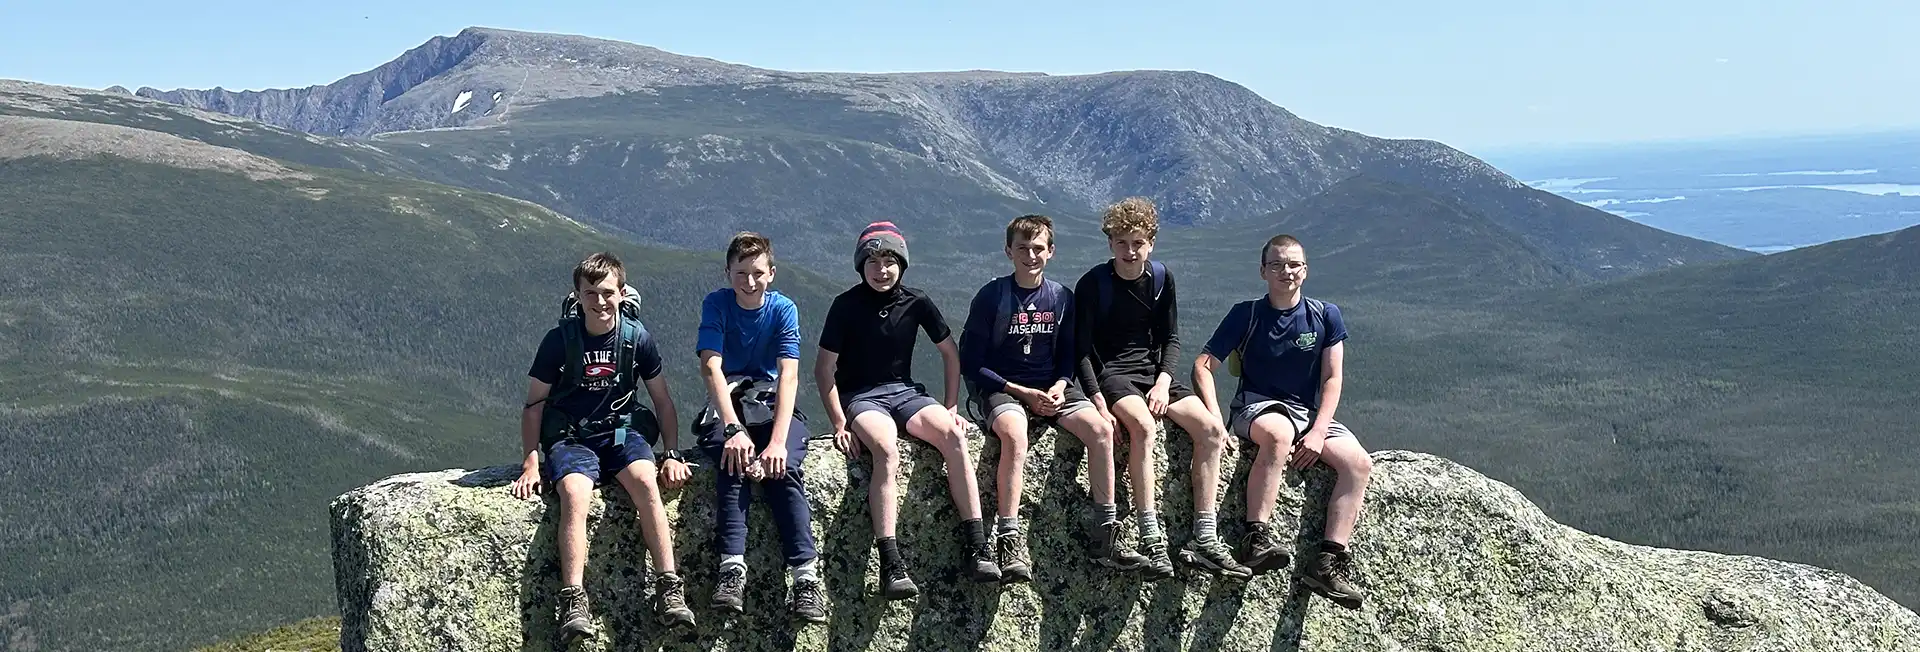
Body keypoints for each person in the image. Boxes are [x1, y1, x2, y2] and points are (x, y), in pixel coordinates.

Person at [509, 252, 694, 641]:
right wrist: (531, 460)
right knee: (576, 493)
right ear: (578, 296)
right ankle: (573, 600)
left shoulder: (636, 338)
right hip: (572, 436)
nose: (599, 301)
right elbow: (534, 404)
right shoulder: (559, 342)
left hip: (621, 432)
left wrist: (672, 453)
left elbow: (662, 401)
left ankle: (669, 587)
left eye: (607, 292)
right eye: (590, 293)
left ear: (622, 292)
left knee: (646, 481)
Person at [958, 214, 1149, 582]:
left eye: (1038, 248)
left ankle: (1105, 530)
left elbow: (1068, 354)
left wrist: (1062, 384)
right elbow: (971, 363)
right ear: (1008, 252)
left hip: (1052, 386)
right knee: (1015, 434)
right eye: (1022, 249)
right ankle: (1008, 538)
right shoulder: (992, 297)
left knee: (1100, 430)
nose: (1031, 256)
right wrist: (1020, 392)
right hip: (1003, 387)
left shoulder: (1062, 297)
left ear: (1051, 252)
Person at [816, 221, 1000, 600]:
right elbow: (824, 369)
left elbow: (951, 353)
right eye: (872, 261)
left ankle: (978, 545)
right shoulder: (846, 306)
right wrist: (839, 421)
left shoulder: (916, 302)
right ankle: (891, 562)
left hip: (905, 393)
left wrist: (950, 406)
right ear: (860, 265)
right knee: (886, 449)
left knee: (953, 436)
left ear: (901, 263)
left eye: (889, 261)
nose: (881, 269)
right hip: (863, 397)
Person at [1073, 198, 1251, 581]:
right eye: (1121, 242)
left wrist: (1164, 381)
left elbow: (1170, 337)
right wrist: (1097, 399)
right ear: (1110, 244)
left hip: (1154, 373)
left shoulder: (1160, 278)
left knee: (1210, 431)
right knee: (1144, 428)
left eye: (1137, 242)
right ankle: (1150, 535)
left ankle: (1204, 536)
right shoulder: (1093, 284)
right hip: (1115, 375)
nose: (1130, 251)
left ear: (1151, 242)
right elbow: (1082, 350)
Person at [1192, 234, 1370, 610]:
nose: (1285, 271)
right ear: (1262, 271)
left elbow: (1332, 378)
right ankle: (1256, 539)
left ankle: (1327, 562)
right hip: (1254, 407)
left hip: (1307, 413)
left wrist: (1320, 430)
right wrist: (1213, 419)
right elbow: (1203, 366)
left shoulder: (1325, 315)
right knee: (1279, 434)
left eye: (1293, 264)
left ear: (1305, 271)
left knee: (1358, 463)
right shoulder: (1247, 314)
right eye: (1276, 264)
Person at [683, 232, 826, 622]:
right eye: (740, 273)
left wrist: (777, 443)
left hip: (771, 400)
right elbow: (711, 365)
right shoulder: (717, 304)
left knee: (784, 469)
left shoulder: (783, 310)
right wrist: (731, 428)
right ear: (728, 272)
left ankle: (806, 578)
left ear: (772, 273)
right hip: (730, 400)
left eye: (757, 273)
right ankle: (732, 570)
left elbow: (789, 376)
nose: (749, 282)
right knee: (734, 463)